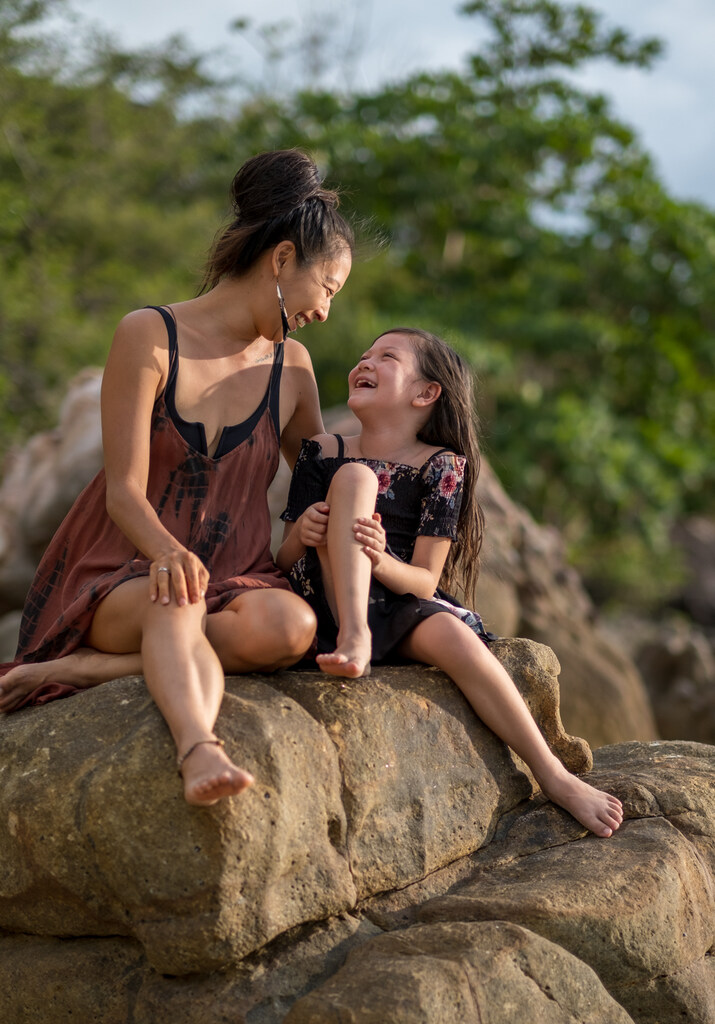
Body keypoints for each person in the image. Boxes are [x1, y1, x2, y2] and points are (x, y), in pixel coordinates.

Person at [0, 149, 353, 807]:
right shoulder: (148, 334)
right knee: (177, 594)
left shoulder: (293, 368)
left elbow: (326, 479)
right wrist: (165, 550)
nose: (326, 311)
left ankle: (83, 671)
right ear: (281, 260)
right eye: (327, 288)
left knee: (291, 629)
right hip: (126, 571)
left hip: (236, 575)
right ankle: (201, 748)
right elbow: (122, 490)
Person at [276, 328, 624, 838]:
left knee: (457, 639)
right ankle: (355, 637)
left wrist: (380, 559)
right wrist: (303, 532)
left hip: (395, 600)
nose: (364, 362)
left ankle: (553, 774)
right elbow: (284, 558)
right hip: (325, 600)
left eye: (386, 357)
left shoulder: (442, 467)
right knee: (354, 480)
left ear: (425, 393)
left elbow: (423, 580)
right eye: (364, 354)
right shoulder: (323, 451)